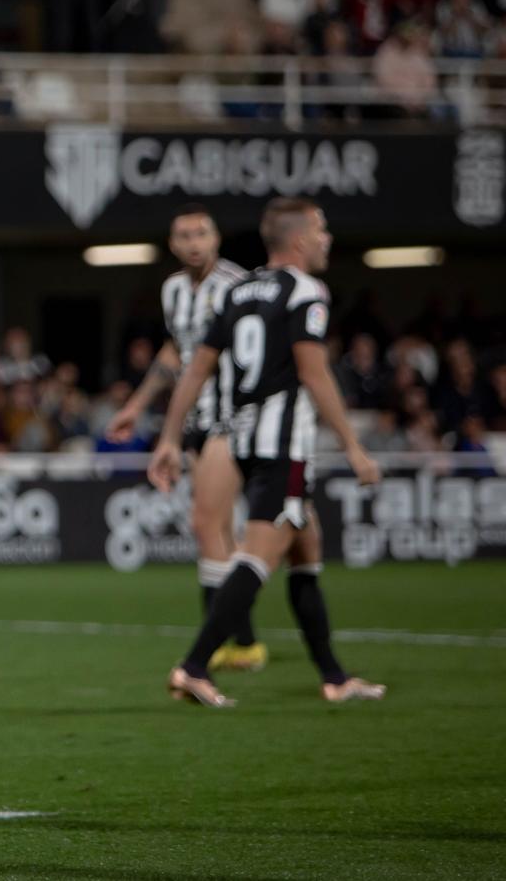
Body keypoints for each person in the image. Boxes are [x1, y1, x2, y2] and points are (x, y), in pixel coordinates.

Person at [149, 199, 385, 708]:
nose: (327, 239)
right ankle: (193, 667)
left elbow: (195, 369)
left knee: (306, 550)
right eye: (321, 230)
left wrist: (169, 437)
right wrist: (353, 446)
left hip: (240, 437)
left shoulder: (237, 291)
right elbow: (313, 372)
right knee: (258, 556)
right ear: (298, 240)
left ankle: (334, 678)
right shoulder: (305, 291)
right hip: (283, 444)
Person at [106, 206, 261, 670]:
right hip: (195, 418)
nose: (194, 242)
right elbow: (176, 352)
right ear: (172, 244)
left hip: (233, 417)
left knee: (208, 522)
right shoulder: (173, 289)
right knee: (218, 527)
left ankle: (223, 643)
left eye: (201, 233)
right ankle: (241, 639)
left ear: (216, 239)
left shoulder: (236, 286)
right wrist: (136, 405)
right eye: (184, 235)